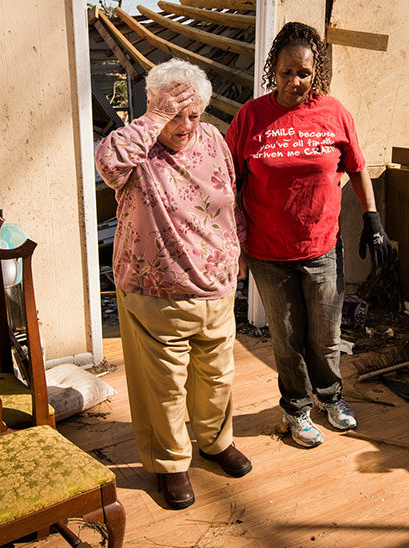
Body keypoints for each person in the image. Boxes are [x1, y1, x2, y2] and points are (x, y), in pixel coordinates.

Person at [225, 21, 393, 448]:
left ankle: (330, 398)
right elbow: (227, 180)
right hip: (267, 251)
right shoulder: (251, 116)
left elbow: (356, 167)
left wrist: (372, 219)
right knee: (287, 337)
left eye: (303, 73)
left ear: (315, 72)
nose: (295, 82)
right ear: (272, 71)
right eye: (286, 73)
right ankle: (296, 410)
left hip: (321, 247)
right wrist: (231, 241)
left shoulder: (334, 113)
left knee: (325, 334)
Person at [94, 59, 250, 510]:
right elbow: (108, 163)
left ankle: (216, 442)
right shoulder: (135, 145)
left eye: (193, 114)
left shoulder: (214, 139)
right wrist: (154, 120)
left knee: (217, 375)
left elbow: (229, 199)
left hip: (216, 287)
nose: (184, 126)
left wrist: (236, 249)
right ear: (153, 106)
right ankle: (170, 464)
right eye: (173, 114)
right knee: (163, 387)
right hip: (155, 291)